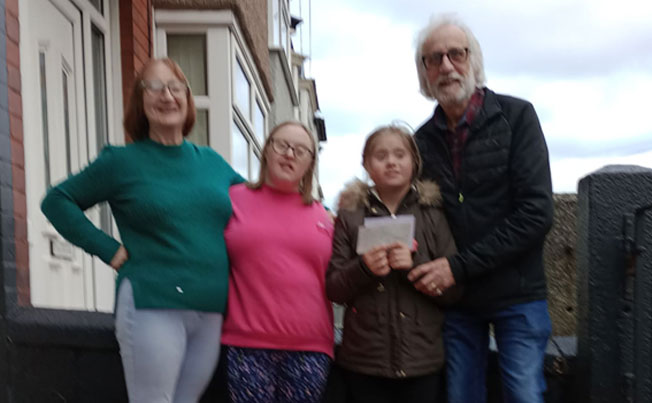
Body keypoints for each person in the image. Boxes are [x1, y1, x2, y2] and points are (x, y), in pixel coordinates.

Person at [41, 58, 242, 402]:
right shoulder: (121, 162)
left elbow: (259, 208)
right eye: (153, 87)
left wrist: (318, 213)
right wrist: (108, 249)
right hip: (152, 306)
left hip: (210, 311)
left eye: (175, 87)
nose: (166, 96)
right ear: (140, 101)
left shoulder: (212, 163)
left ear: (187, 99)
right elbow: (57, 201)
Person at [409, 15, 555, 403]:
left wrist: (457, 267)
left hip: (517, 293)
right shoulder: (420, 142)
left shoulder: (517, 117)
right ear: (424, 74)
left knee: (523, 395)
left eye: (455, 54)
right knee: (461, 396)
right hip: (458, 302)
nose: (446, 66)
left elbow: (536, 213)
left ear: (474, 61)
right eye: (433, 59)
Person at [326, 125, 459, 403]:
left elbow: (454, 292)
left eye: (400, 154)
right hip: (364, 361)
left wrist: (413, 266)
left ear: (414, 162)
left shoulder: (433, 214)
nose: (391, 162)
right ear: (366, 164)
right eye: (381, 155)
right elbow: (335, 290)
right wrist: (364, 269)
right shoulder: (350, 216)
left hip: (421, 360)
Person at [220, 121, 334, 403]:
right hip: (247, 344)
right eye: (282, 145)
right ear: (267, 150)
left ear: (310, 162)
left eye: (300, 149)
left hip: (310, 346)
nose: (290, 153)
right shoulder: (232, 200)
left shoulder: (325, 217)